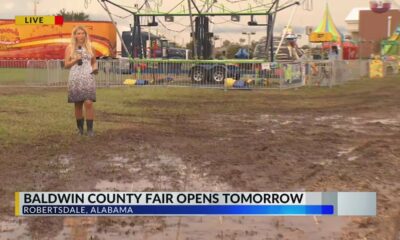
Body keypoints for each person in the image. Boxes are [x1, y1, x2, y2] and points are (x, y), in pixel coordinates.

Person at [64, 26, 98, 136]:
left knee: (88, 102)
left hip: (88, 77)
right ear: (74, 35)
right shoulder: (70, 48)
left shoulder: (90, 47)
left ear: (86, 35)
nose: (81, 35)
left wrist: (95, 68)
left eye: (83, 33)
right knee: (78, 104)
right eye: (78, 33)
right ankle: (80, 129)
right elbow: (66, 65)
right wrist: (75, 60)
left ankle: (90, 130)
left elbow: (93, 61)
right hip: (75, 77)